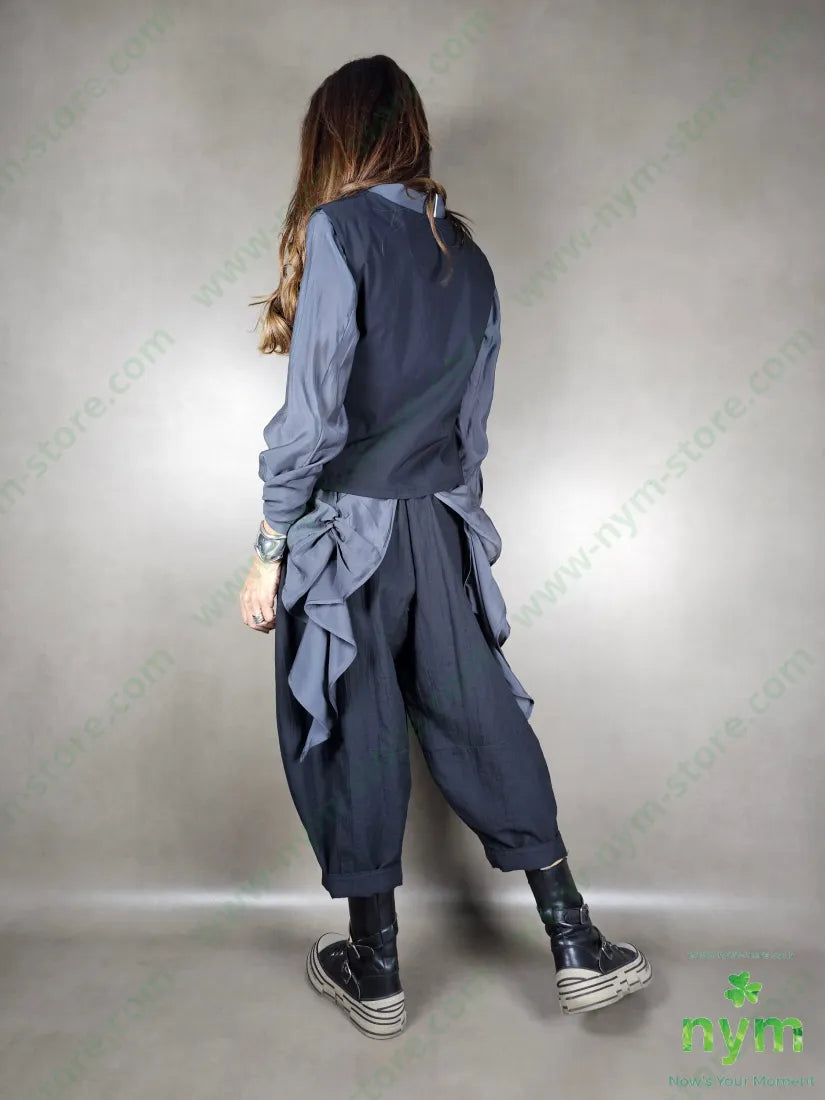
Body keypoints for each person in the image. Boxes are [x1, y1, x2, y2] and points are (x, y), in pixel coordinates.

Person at [239, 54, 652, 1038]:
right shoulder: (467, 254)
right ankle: (575, 940)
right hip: (435, 521)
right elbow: (472, 427)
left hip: (347, 535)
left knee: (353, 727)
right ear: (410, 131)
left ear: (334, 137)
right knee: (480, 718)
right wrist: (450, 532)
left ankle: (376, 969)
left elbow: (311, 418)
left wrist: (270, 544)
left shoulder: (339, 230)